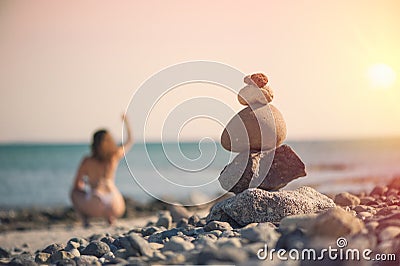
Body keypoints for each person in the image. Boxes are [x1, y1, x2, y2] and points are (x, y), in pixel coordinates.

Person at [70, 114, 133, 226]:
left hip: (95, 201)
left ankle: (85, 221)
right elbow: (129, 140)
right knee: (109, 204)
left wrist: (84, 185)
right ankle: (110, 218)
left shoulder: (87, 161)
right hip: (115, 202)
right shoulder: (114, 156)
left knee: (73, 193)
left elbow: (76, 184)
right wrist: (126, 122)